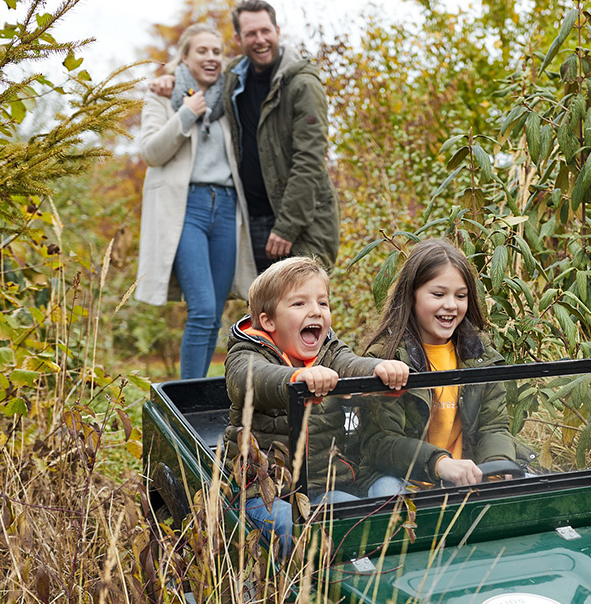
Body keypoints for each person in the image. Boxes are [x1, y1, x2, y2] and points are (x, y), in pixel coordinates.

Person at [223, 257, 408, 556]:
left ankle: (355, 583)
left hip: (321, 485)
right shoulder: (246, 352)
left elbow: (351, 364)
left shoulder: (328, 350)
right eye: (299, 304)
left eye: (323, 303)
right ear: (268, 321)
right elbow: (250, 380)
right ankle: (290, 596)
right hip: (265, 491)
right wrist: (298, 377)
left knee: (350, 521)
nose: (316, 311)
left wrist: (381, 369)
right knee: (292, 528)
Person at [150, 0, 339, 274]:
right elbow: (197, 78)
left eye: (265, 31)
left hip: (299, 226)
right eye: (251, 34)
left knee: (304, 308)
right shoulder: (233, 78)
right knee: (261, 313)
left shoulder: (302, 84)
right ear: (238, 38)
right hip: (249, 222)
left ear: (277, 30)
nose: (260, 40)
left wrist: (287, 226)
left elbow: (310, 161)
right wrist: (169, 79)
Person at [135, 23, 257, 380]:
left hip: (227, 209)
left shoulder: (231, 100)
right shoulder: (162, 96)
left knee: (215, 312)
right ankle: (187, 403)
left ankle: (198, 394)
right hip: (187, 208)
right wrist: (186, 113)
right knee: (202, 308)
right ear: (185, 57)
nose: (211, 57)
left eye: (217, 52)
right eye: (201, 51)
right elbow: (151, 153)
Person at [359, 239, 517, 498]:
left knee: (527, 486)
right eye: (438, 294)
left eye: (460, 295)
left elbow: (494, 426)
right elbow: (380, 443)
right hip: (404, 477)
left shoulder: (480, 354)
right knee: (389, 495)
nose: (451, 305)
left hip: (468, 474)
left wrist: (497, 464)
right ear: (412, 295)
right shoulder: (385, 358)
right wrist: (439, 464)